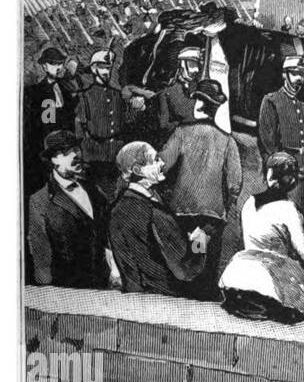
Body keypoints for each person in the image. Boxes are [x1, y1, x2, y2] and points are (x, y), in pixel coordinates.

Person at [158, 79, 243, 300]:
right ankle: (203, 296)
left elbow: (163, 165)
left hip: (183, 210)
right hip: (212, 215)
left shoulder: (182, 133)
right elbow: (235, 181)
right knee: (205, 259)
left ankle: (187, 296)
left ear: (197, 104)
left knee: (187, 260)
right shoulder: (227, 141)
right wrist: (227, 204)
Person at [218, 152, 304, 323]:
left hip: (238, 270)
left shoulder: (249, 202)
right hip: (271, 274)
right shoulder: (289, 209)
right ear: (292, 181)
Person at [108, 141, 209, 297]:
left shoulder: (117, 209)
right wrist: (199, 243)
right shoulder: (155, 213)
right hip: (165, 300)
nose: (162, 163)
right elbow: (185, 271)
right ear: (137, 170)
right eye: (155, 160)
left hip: (133, 298)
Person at [26, 130, 115, 289]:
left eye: (76, 149)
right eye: (66, 152)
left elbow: (109, 234)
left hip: (104, 287)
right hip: (68, 292)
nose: (75, 155)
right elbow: (41, 257)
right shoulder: (40, 201)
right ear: (54, 159)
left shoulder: (94, 190)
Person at [74, 48, 143, 200]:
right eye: (102, 67)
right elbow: (79, 130)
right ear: (93, 69)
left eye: (108, 68)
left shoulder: (117, 95)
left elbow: (127, 122)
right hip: (95, 159)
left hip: (116, 156)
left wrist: (137, 109)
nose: (106, 72)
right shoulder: (84, 96)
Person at [257, 54, 304, 213]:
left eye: (302, 75)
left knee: (299, 215)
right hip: (283, 172)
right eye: (294, 74)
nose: (299, 79)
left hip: (303, 169)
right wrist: (280, 168)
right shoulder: (272, 100)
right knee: (285, 216)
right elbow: (267, 139)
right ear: (284, 75)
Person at [24, 46, 80, 197]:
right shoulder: (35, 92)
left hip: (65, 147)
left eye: (60, 64)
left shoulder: (66, 89)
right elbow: (38, 125)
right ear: (44, 66)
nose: (58, 67)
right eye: (54, 64)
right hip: (44, 150)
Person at [156, 45, 203, 137]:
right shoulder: (167, 92)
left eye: (197, 65)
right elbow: (164, 125)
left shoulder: (202, 89)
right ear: (181, 65)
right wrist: (184, 125)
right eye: (191, 65)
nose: (196, 69)